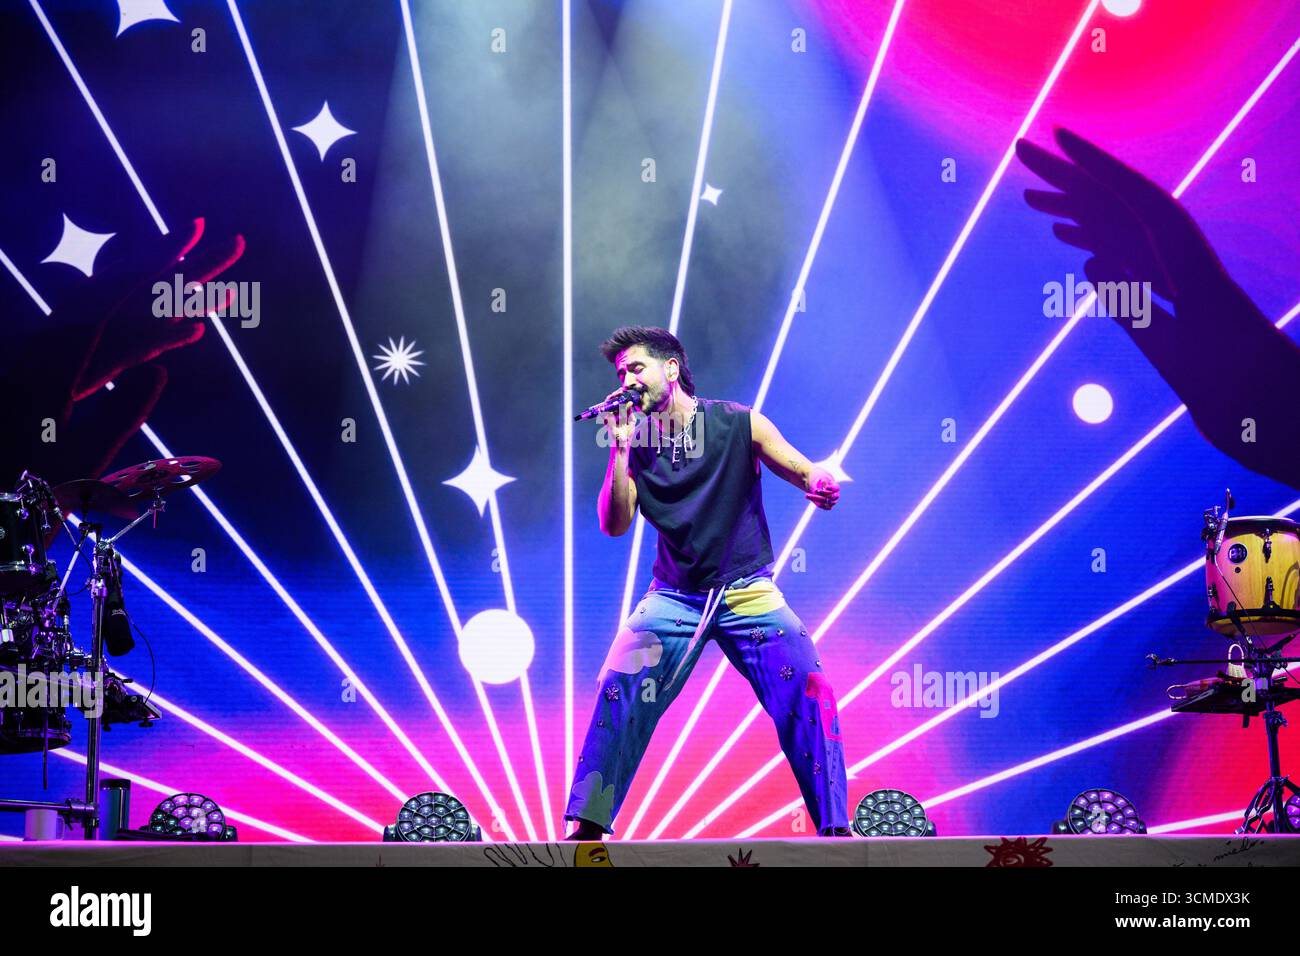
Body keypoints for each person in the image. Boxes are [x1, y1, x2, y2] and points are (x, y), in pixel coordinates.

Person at [564, 326, 850, 839]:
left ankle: (835, 829)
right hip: (675, 597)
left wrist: (818, 482)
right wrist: (621, 448)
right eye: (621, 373)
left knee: (811, 687)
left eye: (636, 368)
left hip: (747, 591)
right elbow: (615, 523)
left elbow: (803, 470)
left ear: (671, 368)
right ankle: (587, 830)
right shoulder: (637, 442)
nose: (627, 379)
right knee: (618, 682)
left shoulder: (736, 422)